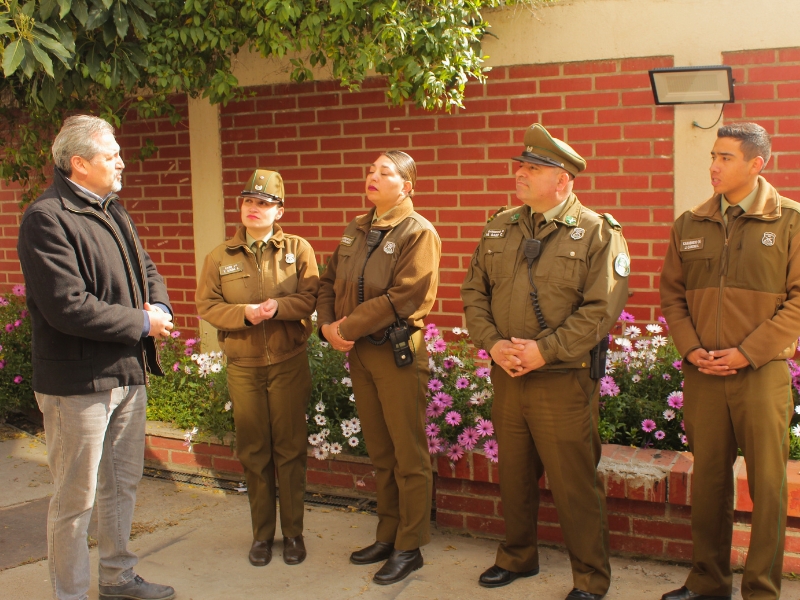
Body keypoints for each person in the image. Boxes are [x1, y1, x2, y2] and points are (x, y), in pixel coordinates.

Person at [461, 123, 630, 600]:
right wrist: (492, 343)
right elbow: (474, 291)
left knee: (574, 483)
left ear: (563, 181)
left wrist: (544, 350)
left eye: (533, 168)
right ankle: (518, 557)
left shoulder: (597, 231)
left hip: (562, 379)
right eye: (521, 165)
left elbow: (603, 309)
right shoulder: (500, 224)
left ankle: (591, 580)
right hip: (508, 374)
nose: (521, 173)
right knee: (513, 474)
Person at [17, 115, 175, 600]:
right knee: (75, 499)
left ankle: (118, 578)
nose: (121, 161)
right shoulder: (47, 218)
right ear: (79, 164)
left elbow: (145, 266)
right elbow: (68, 306)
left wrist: (161, 305)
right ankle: (69, 593)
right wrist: (143, 323)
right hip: (77, 386)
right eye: (112, 155)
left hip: (127, 373)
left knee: (121, 486)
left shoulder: (112, 208)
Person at [659, 123, 800, 600]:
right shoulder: (690, 223)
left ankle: (761, 589)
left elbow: (799, 302)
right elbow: (673, 296)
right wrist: (690, 347)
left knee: (768, 488)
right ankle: (707, 582)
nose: (713, 166)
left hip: (761, 374)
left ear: (756, 164)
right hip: (702, 374)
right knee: (710, 483)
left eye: (725, 157)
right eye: (713, 156)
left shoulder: (791, 221)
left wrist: (747, 352)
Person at [317, 151, 441, 585]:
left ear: (407, 186)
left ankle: (411, 545)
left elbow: (403, 297)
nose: (373, 176)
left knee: (408, 454)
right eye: (370, 171)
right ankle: (387, 534)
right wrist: (326, 326)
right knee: (381, 451)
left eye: (384, 172)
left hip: (395, 353)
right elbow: (328, 281)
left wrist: (344, 326)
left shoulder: (418, 232)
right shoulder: (357, 227)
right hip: (359, 352)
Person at [196, 169, 319, 568]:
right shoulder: (220, 256)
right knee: (254, 451)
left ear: (279, 209)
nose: (254, 208)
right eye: (249, 201)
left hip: (287, 363)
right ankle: (262, 535)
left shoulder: (298, 248)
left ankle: (294, 534)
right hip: (244, 366)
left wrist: (278, 308)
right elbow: (208, 306)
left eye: (264, 203)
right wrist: (244, 314)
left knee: (290, 449)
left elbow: (312, 296)